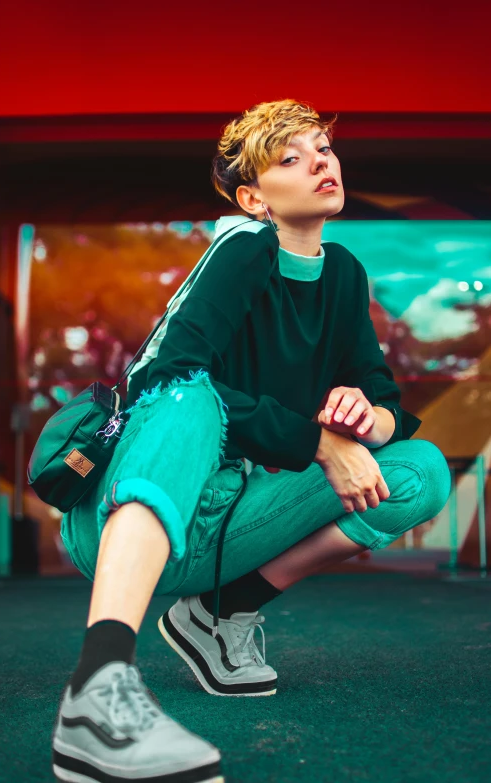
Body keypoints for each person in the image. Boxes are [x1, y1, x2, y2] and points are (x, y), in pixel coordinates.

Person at [52, 98, 452, 783]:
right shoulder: (243, 248)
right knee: (190, 396)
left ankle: (220, 610)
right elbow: (160, 375)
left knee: (420, 469)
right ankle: (99, 686)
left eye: (321, 149)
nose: (319, 162)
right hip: (128, 508)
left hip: (231, 524)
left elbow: (385, 400)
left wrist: (362, 419)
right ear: (253, 196)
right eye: (290, 158)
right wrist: (318, 442)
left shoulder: (345, 274)